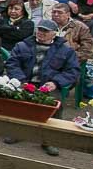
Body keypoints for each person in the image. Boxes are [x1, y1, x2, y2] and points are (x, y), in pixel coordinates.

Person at [5, 18, 81, 156]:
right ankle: (17, 132)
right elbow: (12, 64)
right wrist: (21, 80)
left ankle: (49, 140)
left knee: (54, 105)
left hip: (49, 85)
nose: (41, 33)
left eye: (45, 31)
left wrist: (55, 83)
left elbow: (73, 71)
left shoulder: (66, 50)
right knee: (18, 102)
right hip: (25, 82)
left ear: (54, 33)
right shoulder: (22, 45)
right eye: (40, 29)